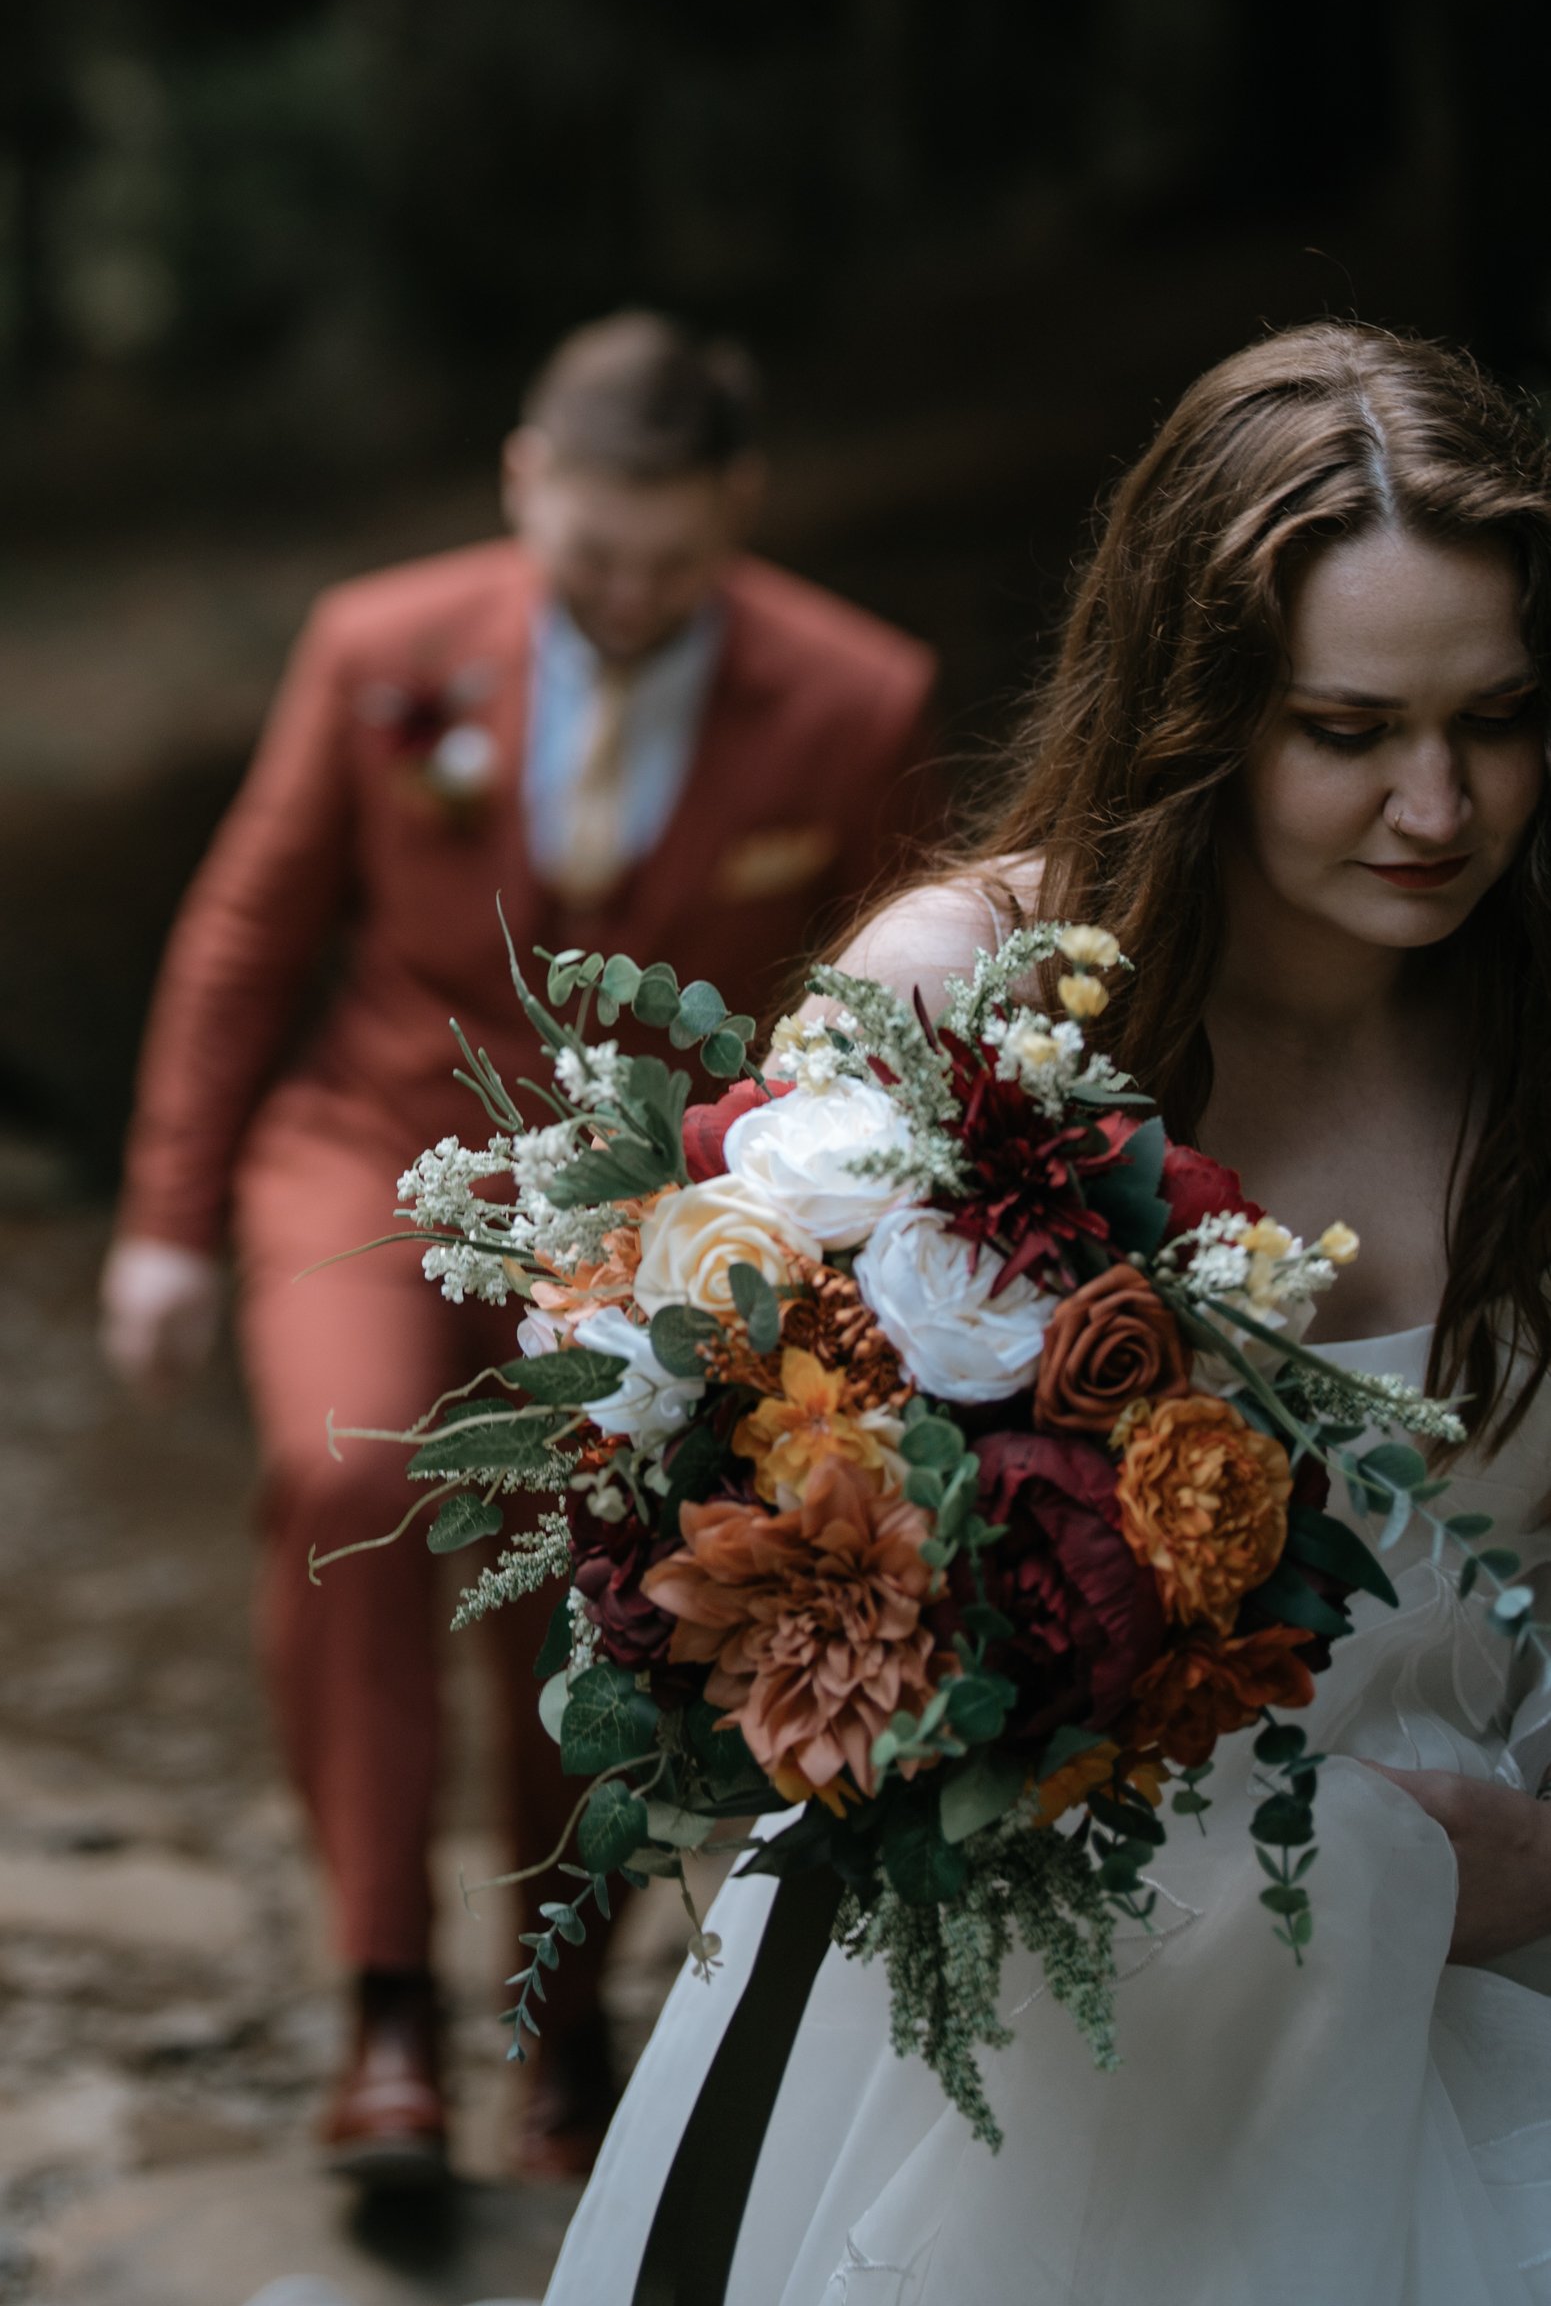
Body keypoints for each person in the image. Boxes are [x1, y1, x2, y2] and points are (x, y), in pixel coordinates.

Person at [541, 321, 1551, 2305]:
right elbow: (743, 1519)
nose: (1438, 806)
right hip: (1013, 1988)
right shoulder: (964, 1004)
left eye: (1500, 720)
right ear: (1201, 711)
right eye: (1350, 732)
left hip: (1481, 1960)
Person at [97, 310, 939, 2186]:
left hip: (668, 1198)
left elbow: (890, 1002)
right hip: (370, 1149)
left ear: (739, 506)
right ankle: (385, 2003)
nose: (626, 596)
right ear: (522, 483)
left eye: (670, 558)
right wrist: (164, 1224)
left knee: (611, 1577)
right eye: (589, 553)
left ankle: (563, 2023)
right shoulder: (377, 649)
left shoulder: (859, 696)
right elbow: (246, 930)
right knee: (343, 1481)